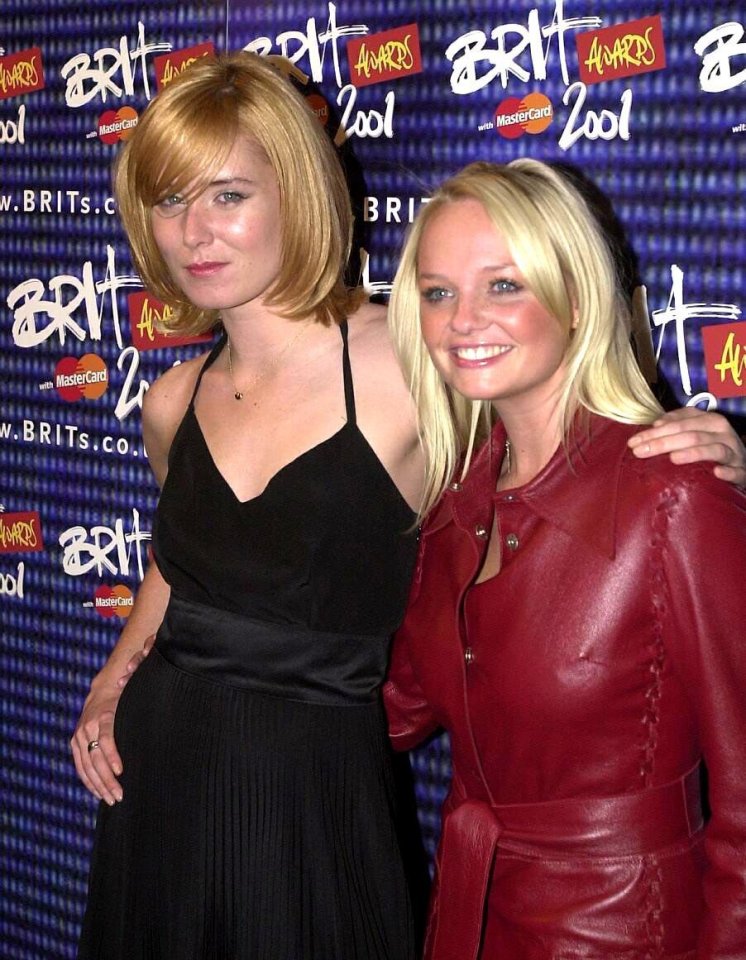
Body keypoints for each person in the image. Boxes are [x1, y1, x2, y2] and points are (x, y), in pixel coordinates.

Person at [70, 52, 745, 959]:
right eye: (169, 201)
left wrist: (712, 454)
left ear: (297, 191)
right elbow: (184, 562)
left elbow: (558, 408)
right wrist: (116, 675)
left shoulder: (416, 354)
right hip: (161, 776)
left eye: (227, 194)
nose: (196, 229)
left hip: (318, 799)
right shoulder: (168, 401)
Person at [384, 158, 746, 959]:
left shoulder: (672, 495)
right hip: (471, 917)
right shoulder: (459, 503)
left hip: (625, 931)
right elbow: (395, 710)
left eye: (503, 285)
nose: (461, 319)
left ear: (577, 299)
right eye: (438, 292)